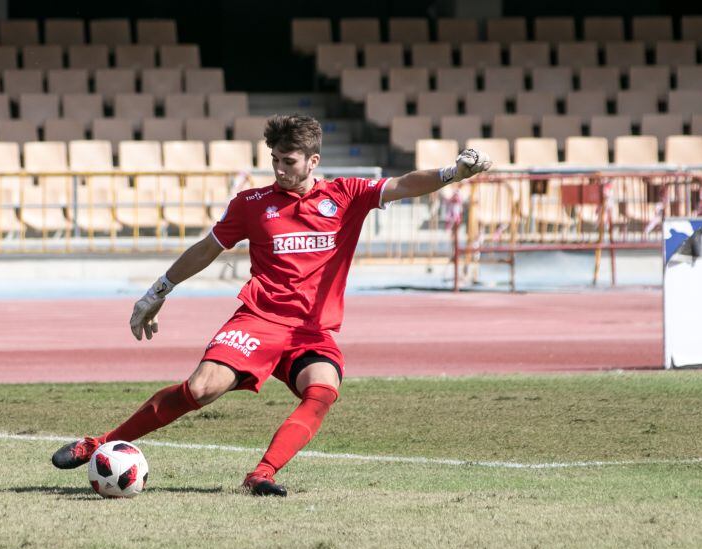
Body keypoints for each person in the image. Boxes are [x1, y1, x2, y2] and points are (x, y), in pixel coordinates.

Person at [52, 114, 492, 496]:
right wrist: (157, 291)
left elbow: (403, 185)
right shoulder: (251, 204)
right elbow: (206, 249)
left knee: (323, 389)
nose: (280, 169)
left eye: (289, 161)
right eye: (275, 160)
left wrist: (451, 172)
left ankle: (261, 474)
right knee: (201, 390)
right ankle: (99, 443)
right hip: (259, 320)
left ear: (313, 161)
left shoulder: (346, 195)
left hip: (312, 332)